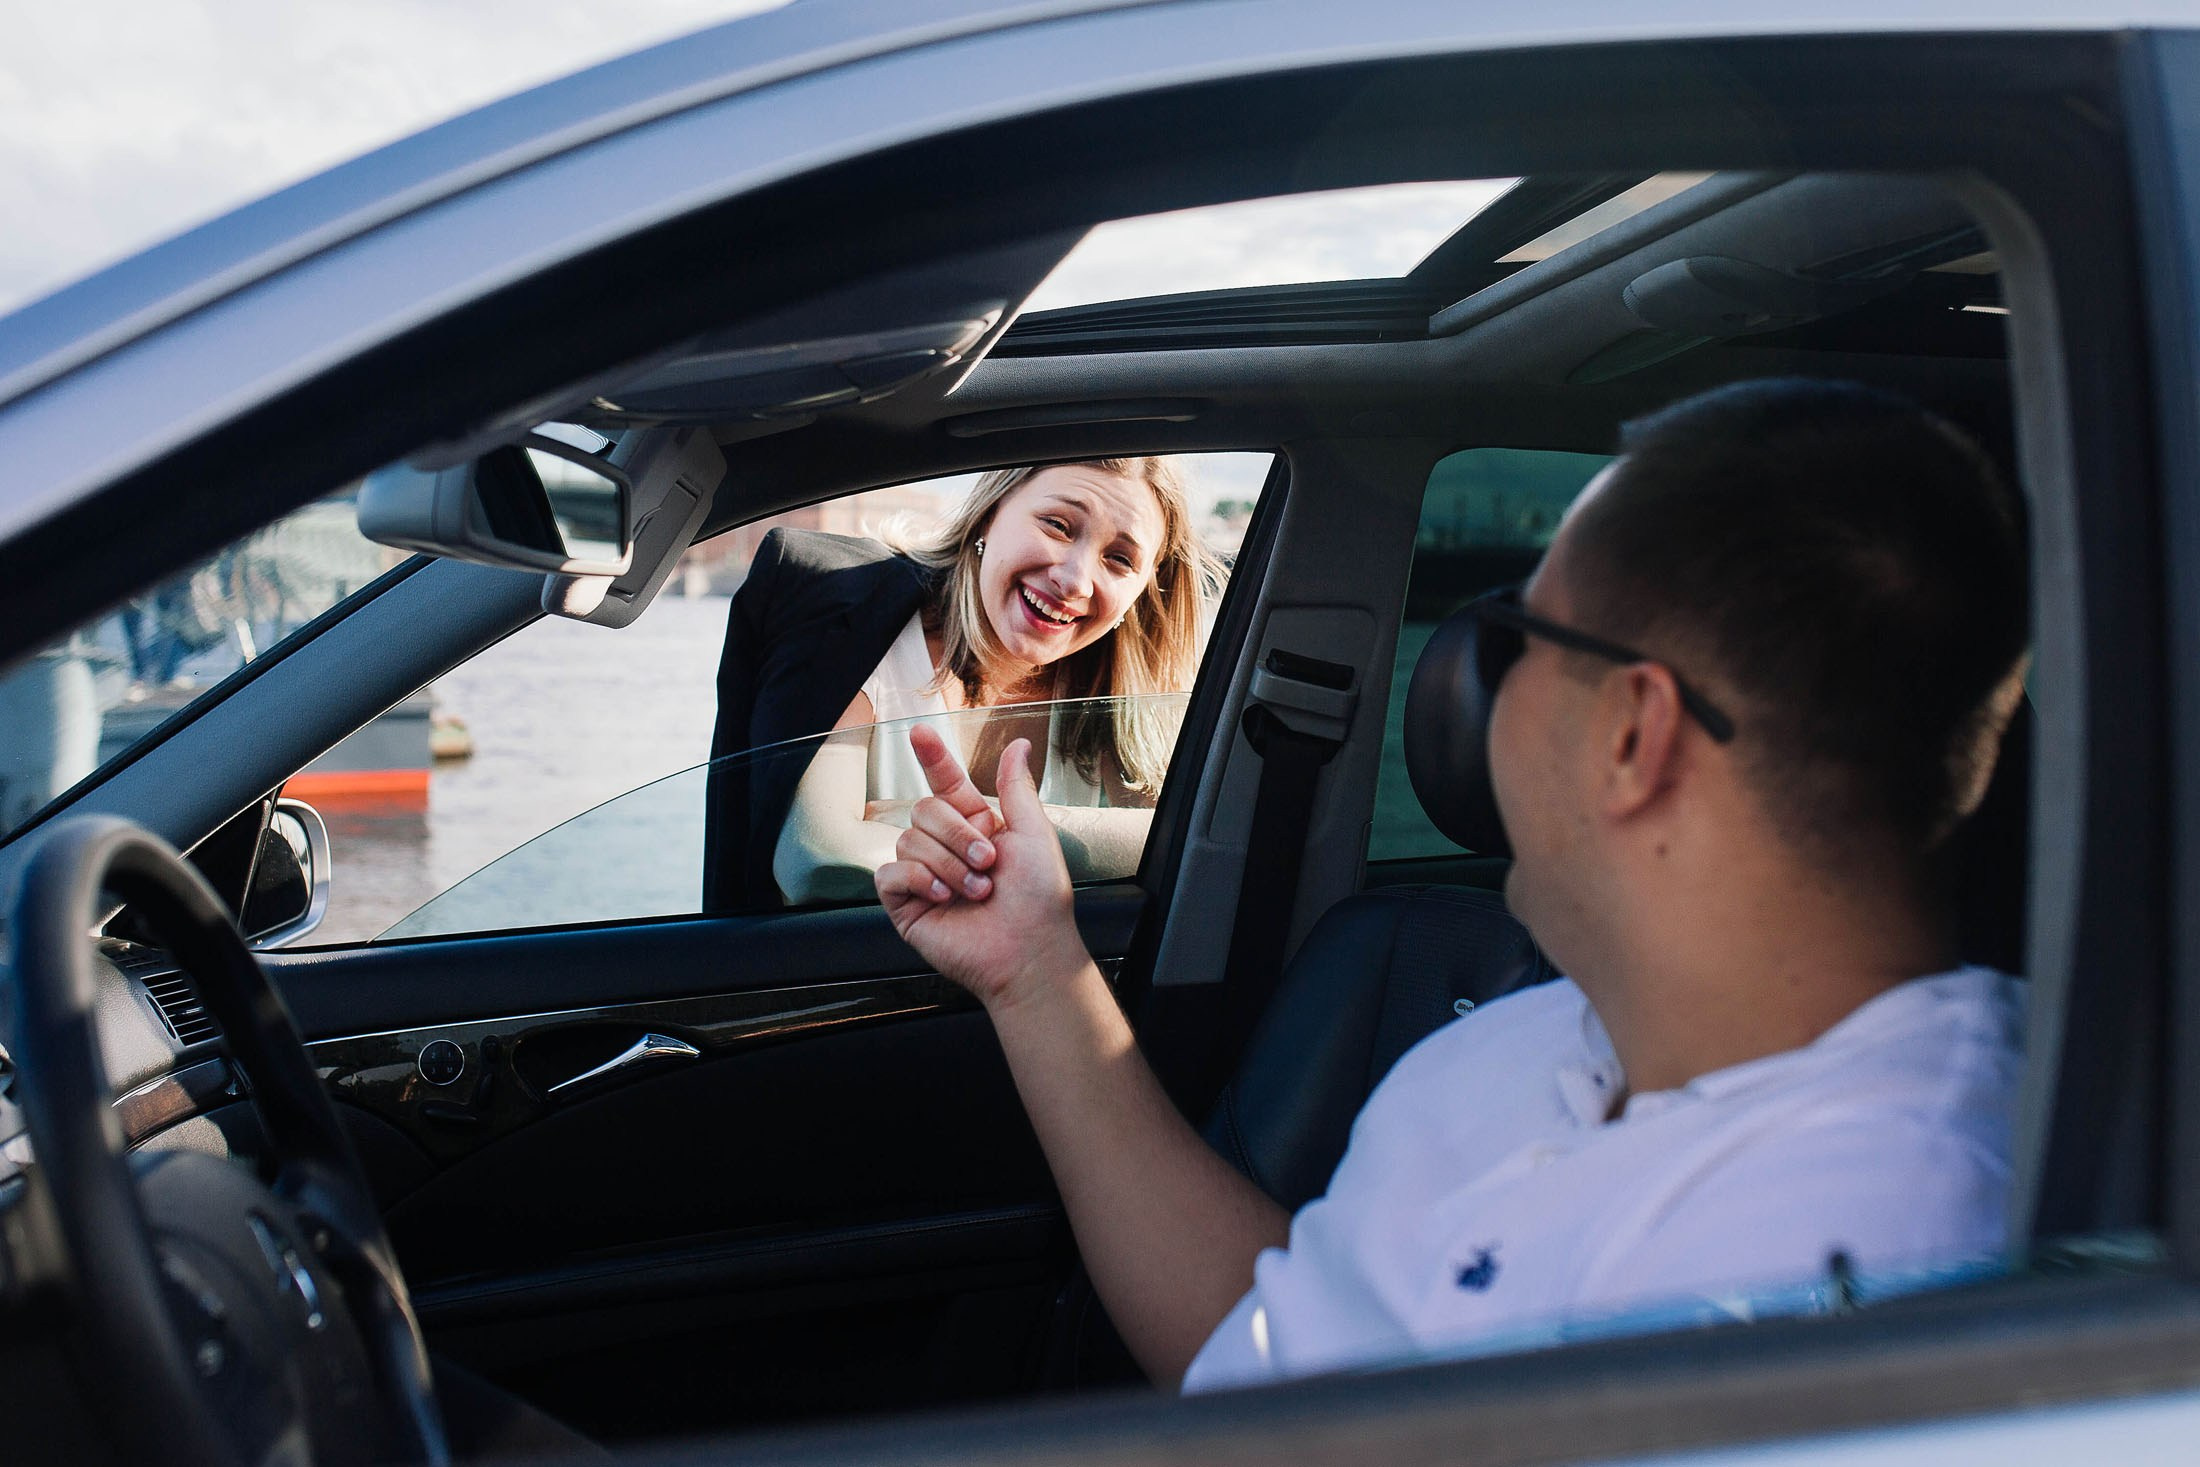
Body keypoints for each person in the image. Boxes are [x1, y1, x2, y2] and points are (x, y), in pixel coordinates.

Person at [870, 379, 2032, 1391]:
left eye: (1514, 641)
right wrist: (1035, 968)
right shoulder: (1520, 1046)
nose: (1476, 693)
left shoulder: (1897, 1250)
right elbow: (1268, 1348)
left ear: (1631, 737)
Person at [700, 457, 1218, 910]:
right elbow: (819, 859)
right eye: (1058, 525)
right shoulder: (858, 625)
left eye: (1119, 559)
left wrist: (923, 819)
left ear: (1143, 590)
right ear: (990, 513)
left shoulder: (1126, 698)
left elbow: (1194, 844)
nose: (1076, 580)